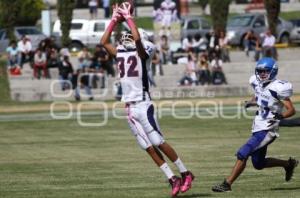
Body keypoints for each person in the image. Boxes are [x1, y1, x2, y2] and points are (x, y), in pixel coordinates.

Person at [100, 3, 194, 197]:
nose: (125, 37)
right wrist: (114, 21)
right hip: (129, 108)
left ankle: (186, 173)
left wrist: (129, 18)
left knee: (158, 141)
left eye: (130, 35)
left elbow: (137, 39)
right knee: (147, 147)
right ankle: (172, 178)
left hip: (143, 103)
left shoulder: (143, 52)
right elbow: (104, 41)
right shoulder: (122, 53)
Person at [212, 57, 298, 192]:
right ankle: (288, 164)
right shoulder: (257, 83)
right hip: (258, 127)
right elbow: (259, 95)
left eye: (265, 71)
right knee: (258, 164)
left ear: (273, 71)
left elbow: (292, 110)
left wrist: (280, 116)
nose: (262, 74)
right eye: (260, 71)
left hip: (268, 129)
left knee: (243, 153)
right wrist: (251, 102)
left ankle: (227, 184)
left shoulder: (277, 88)